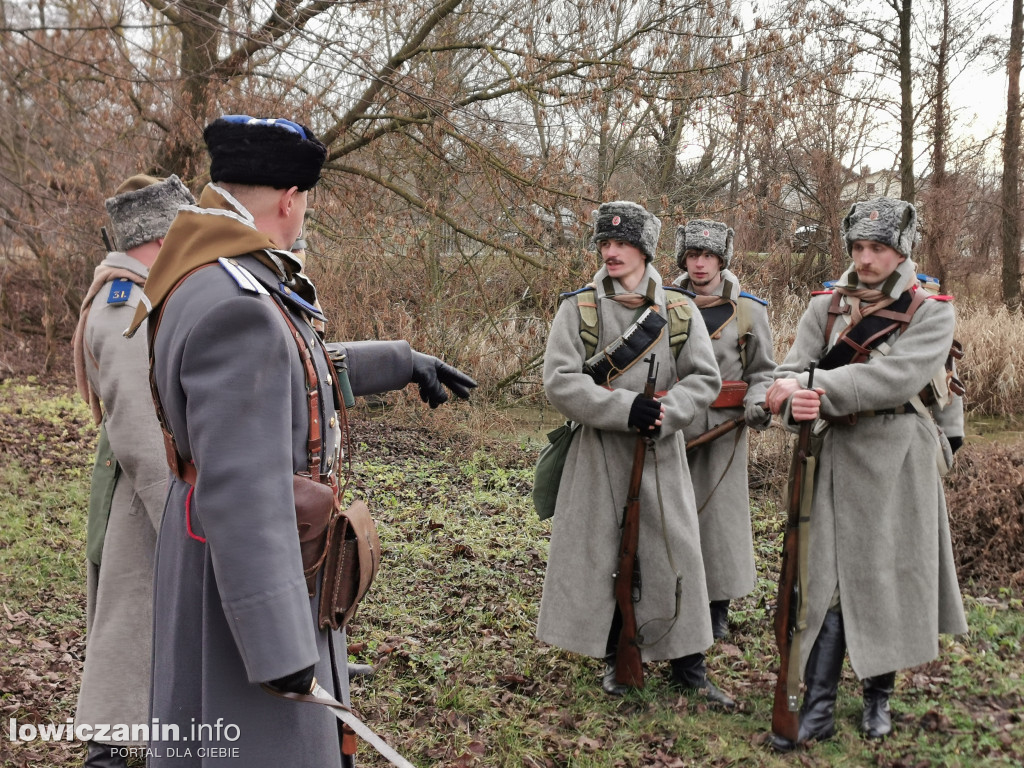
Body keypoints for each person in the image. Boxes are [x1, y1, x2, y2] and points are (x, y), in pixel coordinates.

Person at [124, 114, 474, 767]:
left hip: (212, 551)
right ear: (289, 199)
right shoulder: (238, 302)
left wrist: (399, 361)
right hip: (246, 569)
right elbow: (244, 488)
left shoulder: (210, 273)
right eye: (305, 202)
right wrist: (281, 648)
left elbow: (285, 372)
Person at [764, 197, 967, 749]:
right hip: (833, 456)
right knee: (825, 582)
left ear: (900, 251)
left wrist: (812, 388)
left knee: (889, 580)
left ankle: (878, 698)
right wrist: (787, 401)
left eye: (877, 248)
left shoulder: (931, 310)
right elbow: (785, 374)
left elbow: (895, 379)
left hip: (900, 457)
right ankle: (819, 706)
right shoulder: (826, 307)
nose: (866, 258)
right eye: (858, 247)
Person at [537, 200, 735, 707]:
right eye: (605, 243)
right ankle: (614, 656)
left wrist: (669, 413)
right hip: (599, 452)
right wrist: (625, 408)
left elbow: (704, 379)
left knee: (677, 553)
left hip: (661, 452)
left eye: (623, 244)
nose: (612, 252)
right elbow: (560, 382)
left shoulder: (678, 309)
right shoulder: (577, 308)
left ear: (644, 250)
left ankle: (689, 665)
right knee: (605, 553)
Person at [70, 174, 195, 768]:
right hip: (141, 500)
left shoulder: (144, 293)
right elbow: (141, 429)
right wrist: (177, 516)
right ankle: (108, 754)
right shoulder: (125, 301)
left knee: (142, 628)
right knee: (129, 632)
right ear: (157, 238)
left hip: (148, 490)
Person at [673, 219, 776, 641]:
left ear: (721, 260)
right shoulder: (664, 304)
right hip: (674, 429)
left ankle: (718, 607)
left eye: (709, 256)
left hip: (724, 432)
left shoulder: (749, 310)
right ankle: (676, 600)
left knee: (719, 524)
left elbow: (764, 373)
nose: (700, 264)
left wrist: (756, 403)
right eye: (693, 256)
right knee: (672, 519)